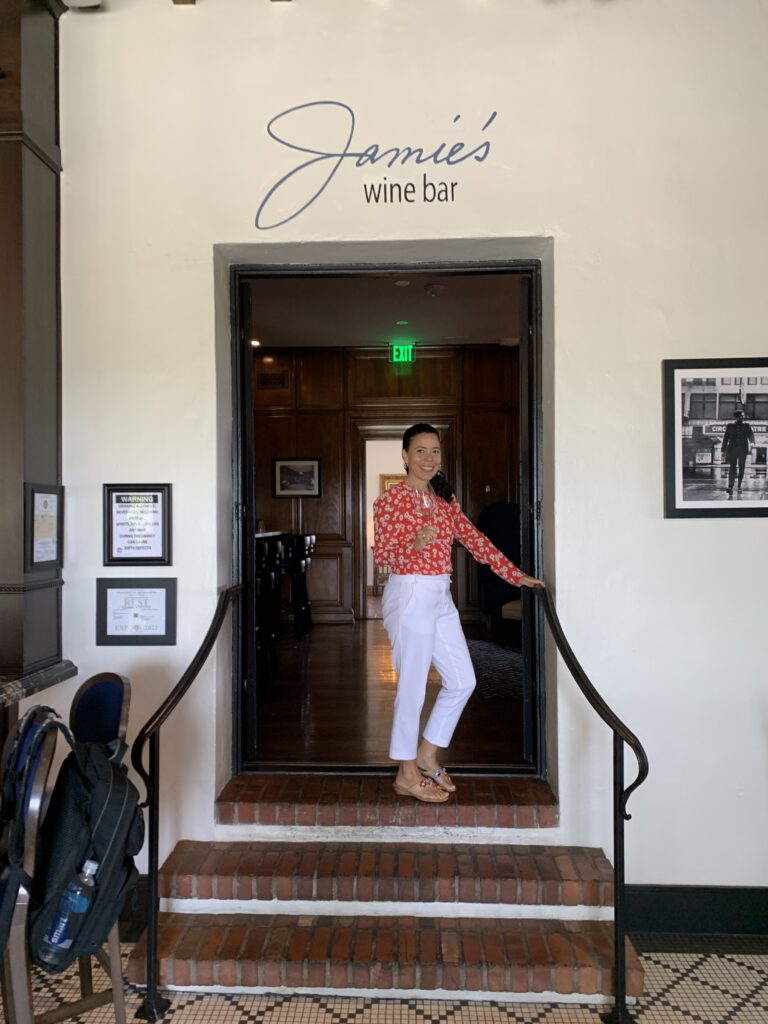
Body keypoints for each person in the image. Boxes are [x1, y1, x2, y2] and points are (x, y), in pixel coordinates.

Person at [373, 423, 544, 803]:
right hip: (410, 592)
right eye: (420, 451)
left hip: (440, 595)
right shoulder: (390, 501)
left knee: (463, 680)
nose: (428, 458)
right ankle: (405, 773)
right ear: (404, 456)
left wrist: (519, 577)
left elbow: (476, 542)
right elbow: (384, 558)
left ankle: (427, 753)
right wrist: (415, 544)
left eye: (434, 451)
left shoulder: (444, 501)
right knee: (413, 688)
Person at [721, 410, 754, 495]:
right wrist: (723, 450)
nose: (743, 417)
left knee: (741, 468)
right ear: (736, 417)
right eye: (741, 416)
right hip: (732, 450)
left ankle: (739, 485)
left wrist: (752, 442)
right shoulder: (730, 426)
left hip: (743, 450)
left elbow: (751, 435)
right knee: (732, 468)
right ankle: (730, 486)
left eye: (743, 416)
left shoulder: (747, 426)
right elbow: (726, 438)